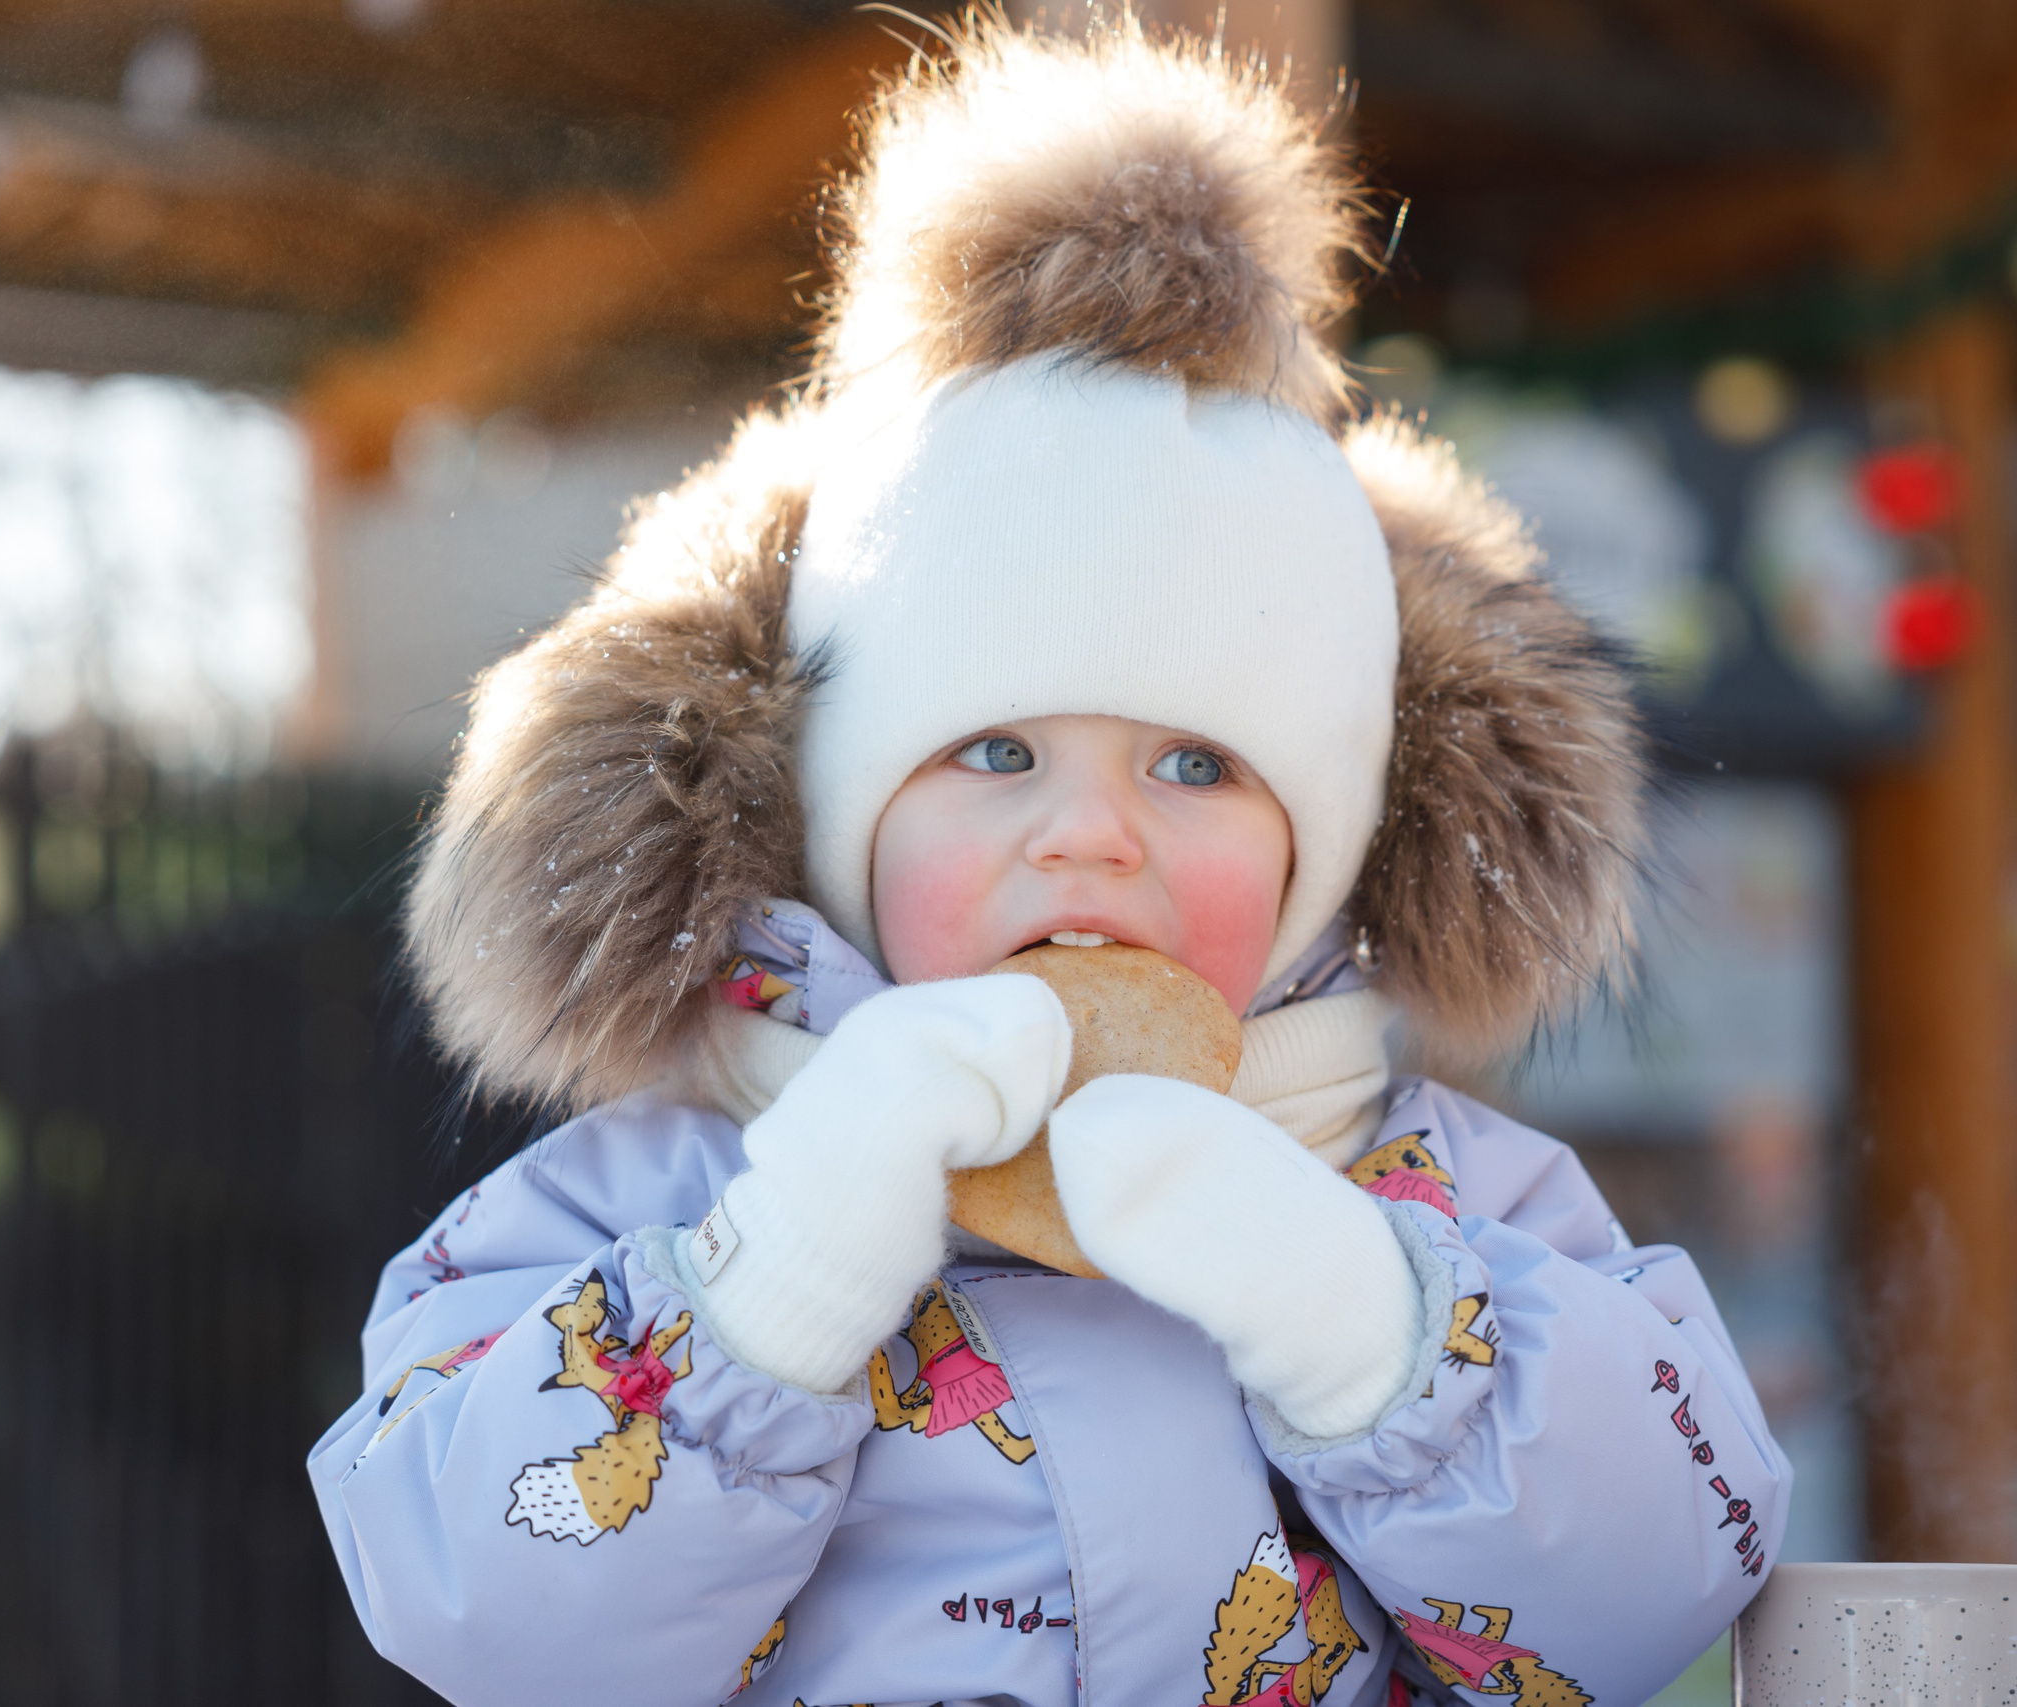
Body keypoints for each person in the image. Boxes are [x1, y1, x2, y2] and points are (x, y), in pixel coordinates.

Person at [307, 17, 1793, 1705]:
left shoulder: (1445, 1194)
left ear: (1326, 852)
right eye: (997, 754)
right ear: (840, 817)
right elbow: (480, 1618)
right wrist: (769, 1292)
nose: (1093, 829)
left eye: (1197, 766)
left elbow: (1664, 1589)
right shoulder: (663, 1192)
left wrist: (1374, 1335)